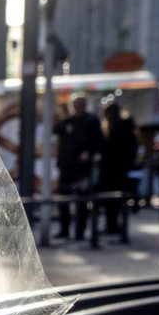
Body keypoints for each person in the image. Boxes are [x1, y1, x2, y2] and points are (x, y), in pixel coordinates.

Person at [53, 95, 104, 240]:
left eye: (80, 104)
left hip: (81, 168)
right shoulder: (68, 121)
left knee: (81, 200)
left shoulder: (91, 121)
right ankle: (64, 230)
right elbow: (56, 128)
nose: (78, 108)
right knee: (63, 198)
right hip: (66, 166)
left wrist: (88, 153)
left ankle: (79, 232)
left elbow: (99, 142)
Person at [99, 102, 139, 235]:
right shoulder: (122, 128)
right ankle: (112, 225)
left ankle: (114, 226)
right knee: (113, 201)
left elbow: (124, 150)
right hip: (116, 170)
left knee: (114, 200)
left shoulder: (120, 129)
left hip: (115, 170)